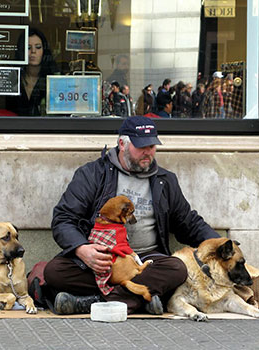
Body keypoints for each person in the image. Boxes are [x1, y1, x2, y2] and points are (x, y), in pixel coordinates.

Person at [43, 116, 220, 315]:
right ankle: (138, 300)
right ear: (122, 144)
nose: (148, 152)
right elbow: (63, 218)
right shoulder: (92, 174)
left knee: (177, 269)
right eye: (141, 146)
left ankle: (91, 302)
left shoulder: (165, 180)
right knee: (54, 271)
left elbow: (188, 222)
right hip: (101, 259)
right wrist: (82, 249)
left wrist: (221, 244)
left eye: (152, 146)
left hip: (144, 260)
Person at [6, 28, 58, 116]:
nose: (33, 51)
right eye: (28, 47)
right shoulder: (13, 78)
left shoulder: (54, 79)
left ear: (44, 50)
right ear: (22, 51)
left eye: (38, 47)